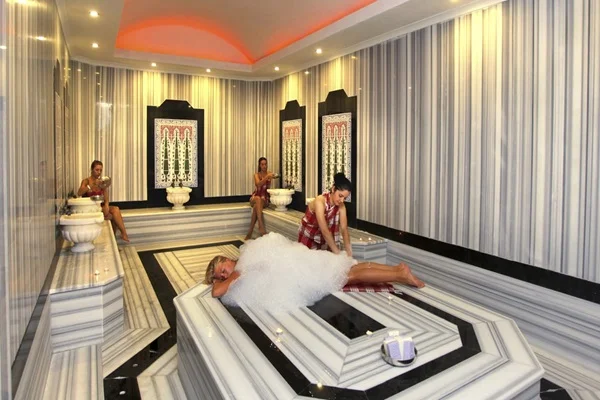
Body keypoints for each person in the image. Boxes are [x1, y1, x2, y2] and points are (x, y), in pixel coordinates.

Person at [205, 232, 425, 313]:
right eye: (221, 276)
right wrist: (225, 278)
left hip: (302, 269)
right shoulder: (248, 256)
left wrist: (233, 276)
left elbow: (218, 291)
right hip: (301, 263)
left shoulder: (244, 261)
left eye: (222, 270)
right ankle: (397, 270)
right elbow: (217, 290)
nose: (224, 276)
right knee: (349, 270)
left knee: (350, 274)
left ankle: (398, 274)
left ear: (226, 260)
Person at [298, 172, 352, 255]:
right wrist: (337, 253)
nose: (342, 200)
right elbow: (324, 230)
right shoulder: (320, 201)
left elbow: (344, 229)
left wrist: (349, 253)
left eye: (345, 198)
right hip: (309, 236)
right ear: (333, 189)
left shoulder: (341, 206)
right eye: (340, 196)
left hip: (325, 239)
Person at [77, 160, 130, 242]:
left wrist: (106, 206)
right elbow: (79, 192)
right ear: (92, 170)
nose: (99, 172)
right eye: (97, 170)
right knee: (112, 217)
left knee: (115, 209)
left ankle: (123, 234)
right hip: (90, 209)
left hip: (99, 207)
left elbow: (105, 196)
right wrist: (92, 184)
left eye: (100, 170)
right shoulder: (86, 181)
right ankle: (114, 239)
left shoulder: (101, 182)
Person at [245, 157, 277, 240]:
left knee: (256, 206)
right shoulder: (256, 175)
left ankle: (250, 232)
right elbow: (258, 184)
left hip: (265, 198)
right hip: (255, 197)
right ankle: (260, 224)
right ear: (259, 165)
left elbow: (276, 176)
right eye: (262, 164)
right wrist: (267, 177)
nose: (264, 166)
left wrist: (275, 176)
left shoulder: (269, 173)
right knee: (258, 199)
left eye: (265, 164)